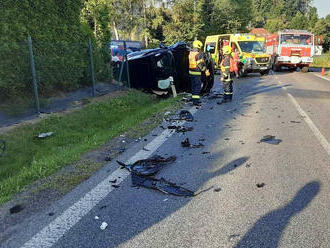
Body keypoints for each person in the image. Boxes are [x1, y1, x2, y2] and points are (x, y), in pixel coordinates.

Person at [189, 40, 207, 105]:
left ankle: (194, 100)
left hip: (191, 72)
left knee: (193, 87)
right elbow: (200, 64)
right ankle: (196, 101)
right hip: (197, 73)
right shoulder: (199, 54)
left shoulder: (191, 53)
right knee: (197, 87)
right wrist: (205, 70)